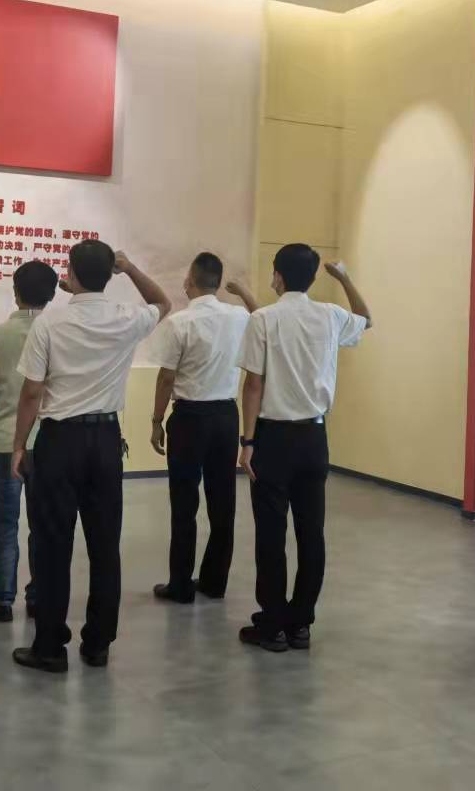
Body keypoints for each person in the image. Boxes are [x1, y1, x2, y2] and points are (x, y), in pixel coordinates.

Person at [9, 241, 169, 673]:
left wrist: (20, 445)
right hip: (105, 442)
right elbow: (162, 302)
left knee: (52, 545)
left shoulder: (49, 322)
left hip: (59, 441)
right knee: (104, 545)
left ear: (70, 273)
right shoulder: (126, 318)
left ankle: (49, 646)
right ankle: (97, 643)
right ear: (109, 275)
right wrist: (130, 267)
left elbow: (31, 392)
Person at [236, 245, 371, 653]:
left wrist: (247, 442)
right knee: (311, 533)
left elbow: (254, 385)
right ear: (313, 278)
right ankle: (301, 623)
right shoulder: (330, 315)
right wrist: (344, 278)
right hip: (314, 438)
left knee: (271, 534)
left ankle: (273, 624)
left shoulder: (263, 318)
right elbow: (366, 319)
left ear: (277, 276)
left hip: (273, 438)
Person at [148, 252, 255, 604]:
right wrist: (243, 292)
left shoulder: (180, 323)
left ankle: (180, 585)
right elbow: (262, 318)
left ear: (190, 281)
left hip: (189, 418)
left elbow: (166, 378)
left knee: (184, 502)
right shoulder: (238, 316)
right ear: (218, 282)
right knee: (222, 502)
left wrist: (156, 421)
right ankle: (214, 581)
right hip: (225, 417)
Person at [0, 260, 58, 623]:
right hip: (49, 444)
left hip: (4, 444)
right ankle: (39, 597)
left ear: (15, 292)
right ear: (52, 295)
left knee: (4, 525)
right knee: (43, 524)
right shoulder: (60, 333)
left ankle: (2, 597)